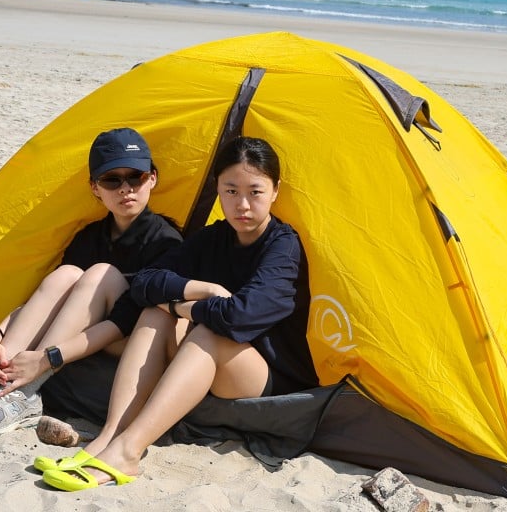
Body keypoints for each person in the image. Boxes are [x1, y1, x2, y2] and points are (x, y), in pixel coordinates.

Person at [37, 136, 318, 491]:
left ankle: (129, 450)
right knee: (155, 314)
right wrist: (193, 296)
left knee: (207, 331)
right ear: (218, 190)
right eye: (230, 191)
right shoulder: (215, 237)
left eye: (255, 192)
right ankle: (108, 437)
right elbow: (145, 283)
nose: (242, 204)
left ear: (275, 191)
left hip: (265, 373)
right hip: (218, 356)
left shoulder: (283, 246)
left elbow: (240, 316)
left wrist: (184, 306)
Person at [0, 128, 182, 439]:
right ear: (95, 188)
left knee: (100, 273)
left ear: (152, 178)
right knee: (67, 274)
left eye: (135, 177)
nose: (125, 188)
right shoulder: (91, 236)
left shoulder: (167, 241)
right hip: (88, 332)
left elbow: (128, 319)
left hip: (134, 338)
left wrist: (46, 359)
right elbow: (49, 299)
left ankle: (24, 393)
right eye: (112, 180)